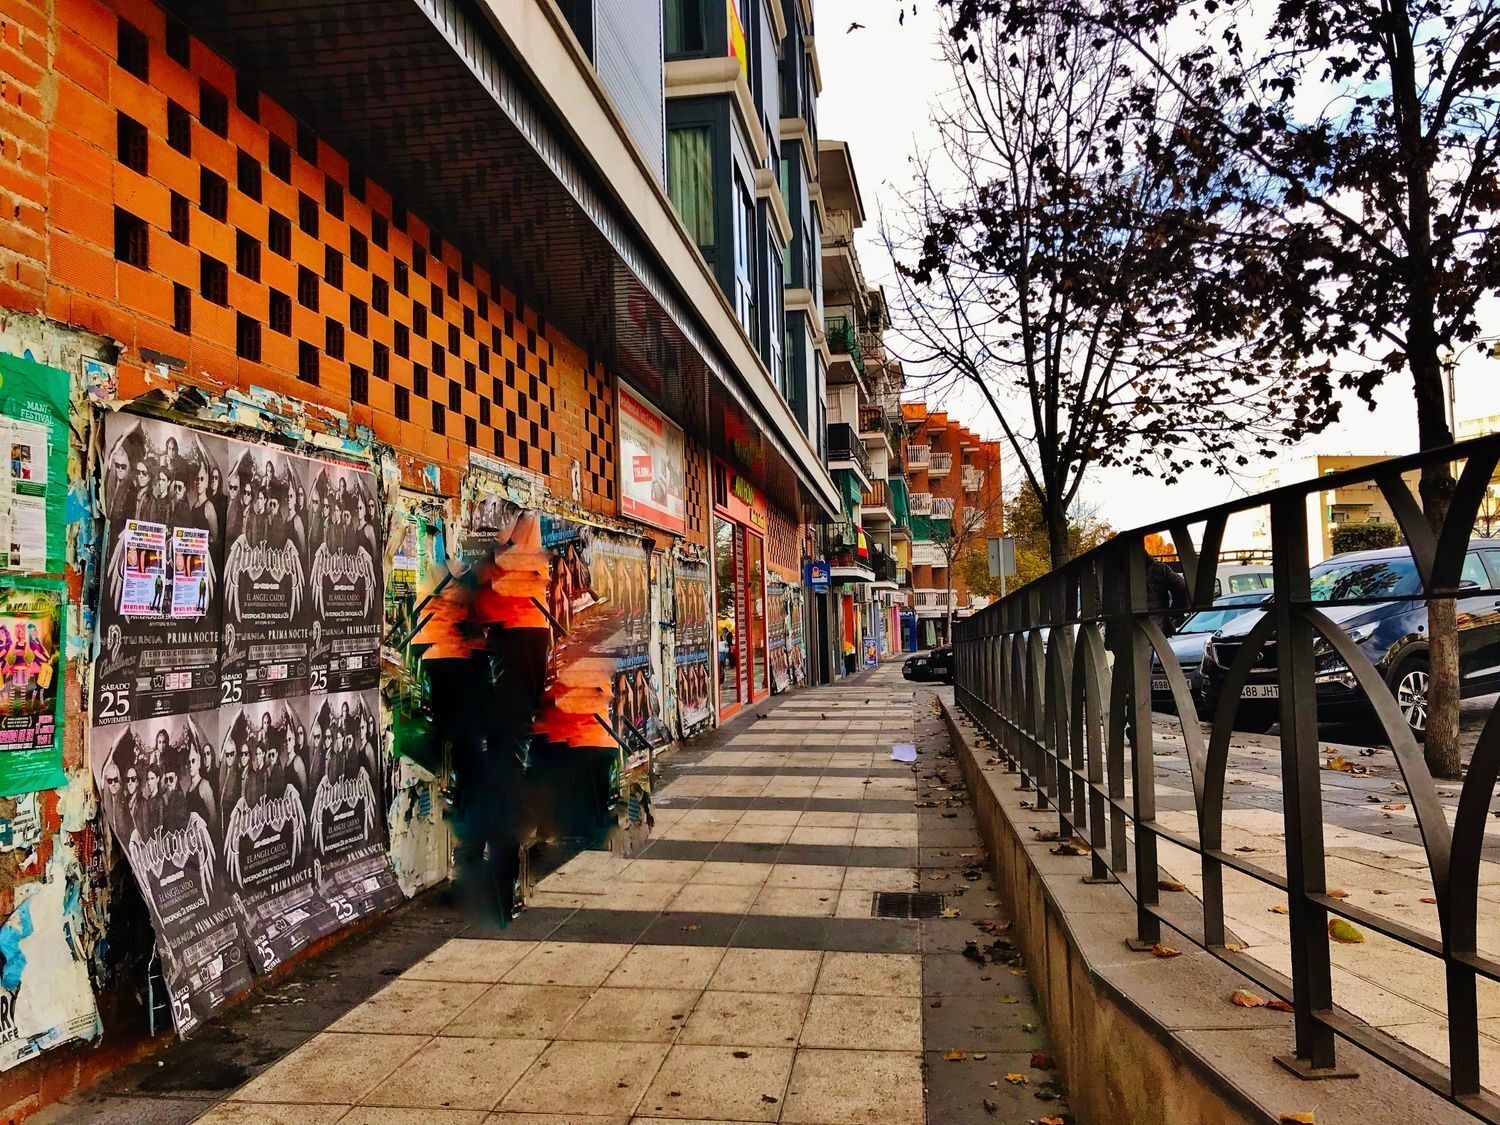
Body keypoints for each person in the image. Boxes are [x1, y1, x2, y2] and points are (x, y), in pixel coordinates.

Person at [1146, 558, 1190, 634]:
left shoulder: (1119, 571)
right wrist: (1175, 612)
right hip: (1158, 629)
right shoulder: (1159, 569)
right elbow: (1183, 588)